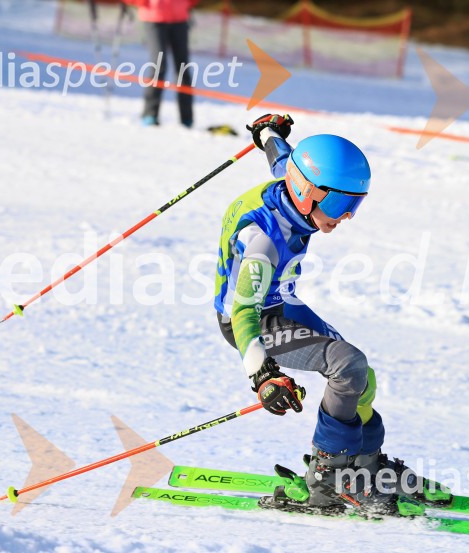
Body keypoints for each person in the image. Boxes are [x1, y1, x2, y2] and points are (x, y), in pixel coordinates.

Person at [214, 114, 419, 513]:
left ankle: (365, 466)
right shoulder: (262, 240)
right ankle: (329, 479)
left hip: (280, 302)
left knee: (360, 377)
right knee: (348, 366)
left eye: (355, 205)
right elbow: (242, 313)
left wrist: (267, 133)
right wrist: (263, 375)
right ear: (307, 192)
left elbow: (283, 158)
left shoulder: (295, 185)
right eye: (341, 203)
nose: (345, 216)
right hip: (254, 320)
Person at [125, 0, 197, 127]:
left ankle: (187, 118)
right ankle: (150, 114)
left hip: (179, 17)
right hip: (154, 17)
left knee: (183, 67)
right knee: (159, 64)